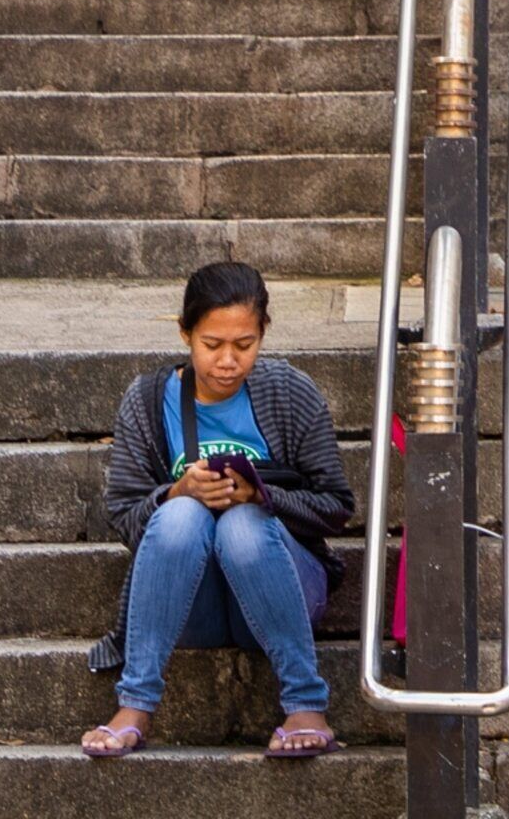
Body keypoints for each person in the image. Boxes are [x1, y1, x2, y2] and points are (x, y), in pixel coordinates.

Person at [84, 261, 355, 759]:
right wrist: (177, 492)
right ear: (185, 333)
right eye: (212, 344)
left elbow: (337, 508)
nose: (228, 361)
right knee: (181, 515)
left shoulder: (290, 393)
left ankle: (305, 705)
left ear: (263, 332)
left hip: (282, 589)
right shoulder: (148, 401)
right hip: (191, 603)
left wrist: (263, 497)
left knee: (242, 524)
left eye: (244, 344)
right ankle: (135, 703)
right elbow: (123, 517)